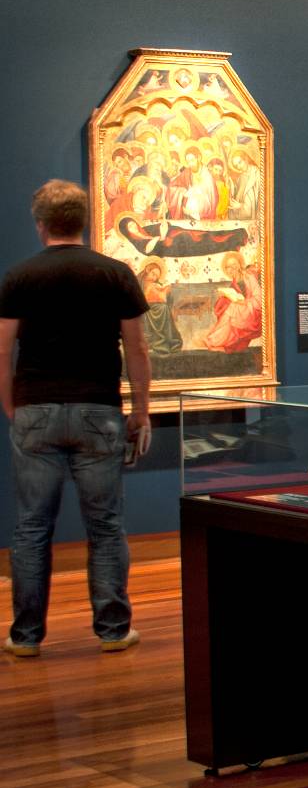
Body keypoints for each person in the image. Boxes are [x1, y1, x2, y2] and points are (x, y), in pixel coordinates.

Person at [1, 180, 151, 658]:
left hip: (35, 409)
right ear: (83, 221)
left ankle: (25, 637)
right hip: (98, 410)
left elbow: (3, 349)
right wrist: (142, 411)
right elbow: (137, 348)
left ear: (41, 222)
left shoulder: (20, 276)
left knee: (31, 527)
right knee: (105, 525)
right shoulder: (115, 273)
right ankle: (112, 629)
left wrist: (12, 405)